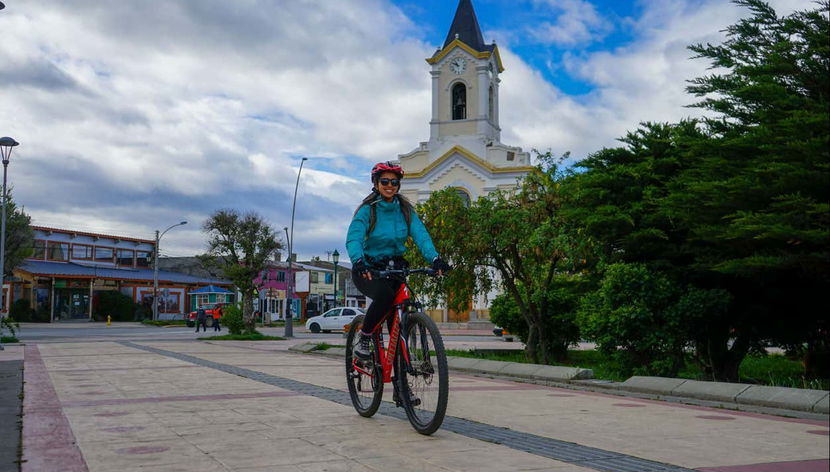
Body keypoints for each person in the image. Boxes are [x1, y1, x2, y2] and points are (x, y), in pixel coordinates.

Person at [345, 161, 450, 360]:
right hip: (369, 270)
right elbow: (354, 237)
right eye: (385, 181)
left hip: (395, 270)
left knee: (398, 326)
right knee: (384, 296)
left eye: (394, 182)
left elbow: (421, 235)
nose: (390, 185)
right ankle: (365, 336)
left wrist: (435, 258)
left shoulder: (404, 210)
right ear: (376, 183)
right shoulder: (368, 210)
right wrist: (358, 261)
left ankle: (400, 387)